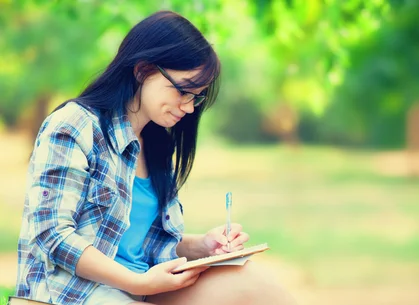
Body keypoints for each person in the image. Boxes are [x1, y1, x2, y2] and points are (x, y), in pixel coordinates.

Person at [15, 10, 297, 305]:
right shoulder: (75, 125)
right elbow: (52, 234)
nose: (189, 107)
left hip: (142, 290)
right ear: (142, 70)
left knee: (256, 285)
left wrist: (202, 246)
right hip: (75, 293)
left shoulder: (155, 141)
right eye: (183, 91)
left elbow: (140, 246)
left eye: (196, 96)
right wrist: (138, 282)